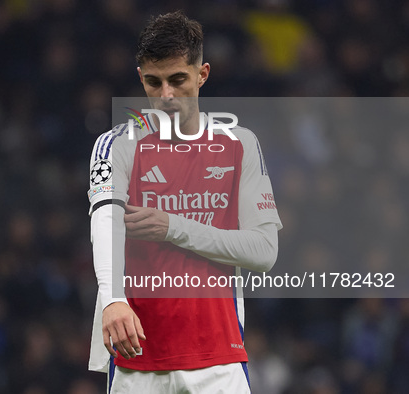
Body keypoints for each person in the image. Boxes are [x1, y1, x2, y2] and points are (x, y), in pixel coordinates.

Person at [87, 11, 282, 393]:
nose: (166, 96)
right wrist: (112, 299)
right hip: (137, 357)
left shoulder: (240, 143)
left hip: (219, 360)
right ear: (140, 77)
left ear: (202, 74)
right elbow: (104, 224)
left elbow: (264, 251)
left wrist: (173, 227)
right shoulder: (116, 145)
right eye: (153, 82)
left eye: (178, 80)